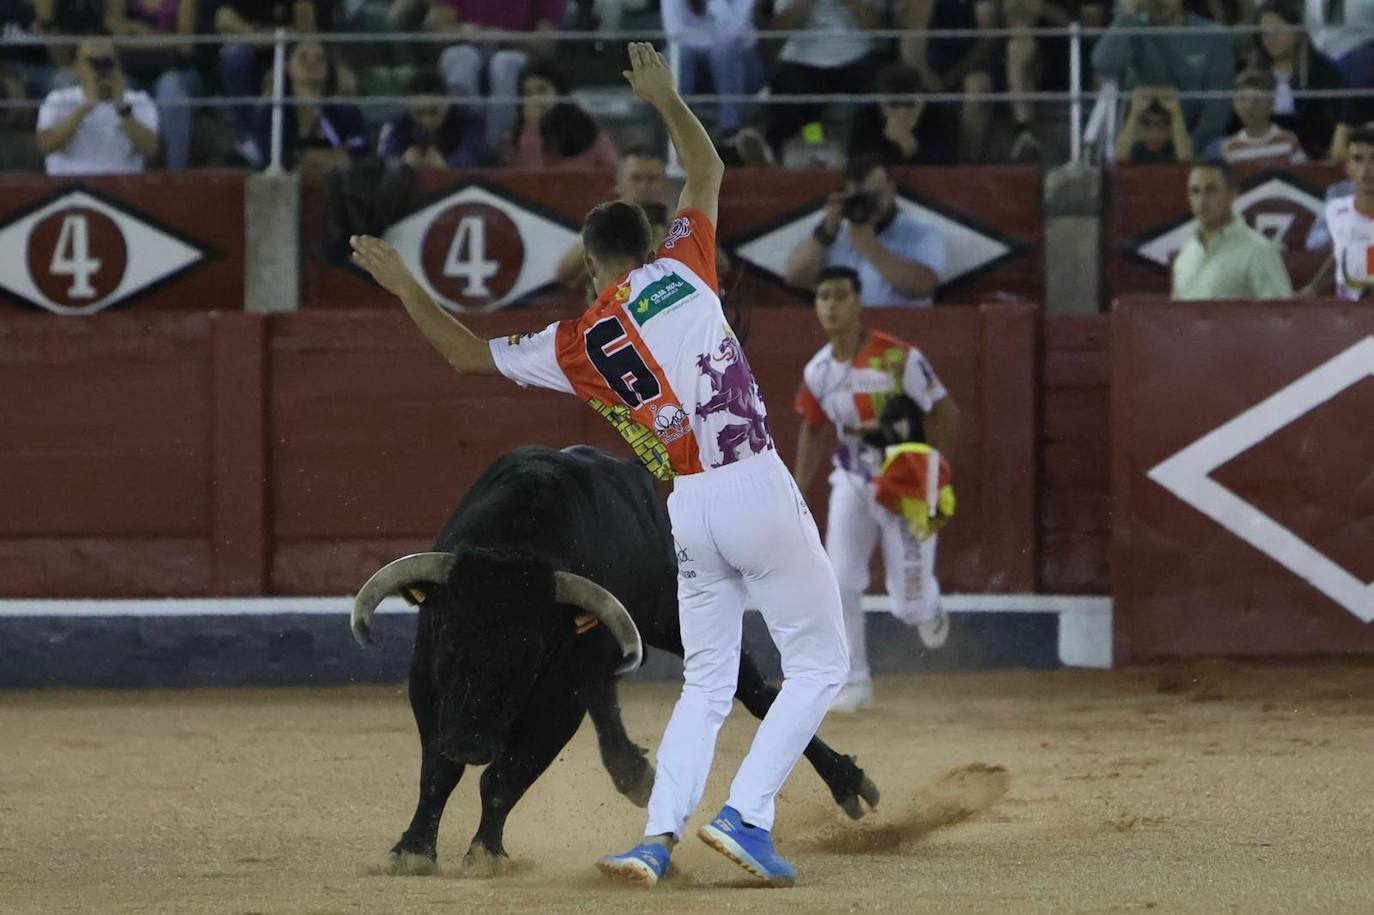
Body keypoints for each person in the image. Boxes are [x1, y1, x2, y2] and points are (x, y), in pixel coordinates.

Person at [348, 43, 850, 889]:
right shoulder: (687, 266)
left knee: (703, 681)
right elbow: (706, 165)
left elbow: (467, 355)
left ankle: (657, 837)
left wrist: (404, 287)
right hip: (753, 479)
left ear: (589, 268)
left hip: (685, 506)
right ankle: (746, 814)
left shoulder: (577, 342)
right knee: (823, 664)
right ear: (654, 241)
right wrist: (664, 98)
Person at [792, 266, 959, 713]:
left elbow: (945, 412)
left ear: (858, 302)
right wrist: (797, 492)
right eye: (823, 296)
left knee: (909, 606)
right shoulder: (819, 371)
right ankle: (855, 681)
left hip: (903, 484)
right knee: (839, 580)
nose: (830, 305)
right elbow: (812, 429)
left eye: (840, 296)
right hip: (850, 476)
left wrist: (933, 471)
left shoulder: (898, 358)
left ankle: (929, 604)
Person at [783, 155, 947, 307]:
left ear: (892, 190)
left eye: (875, 195)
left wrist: (869, 247)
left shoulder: (921, 233)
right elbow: (795, 277)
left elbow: (924, 285)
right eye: (860, 198)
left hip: (900, 329)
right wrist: (825, 232)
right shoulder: (834, 232)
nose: (868, 204)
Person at [1092, 0, 1235, 155]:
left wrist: (1191, 150)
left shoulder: (1212, 35)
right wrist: (1128, 15)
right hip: (1137, 141)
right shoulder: (1132, 28)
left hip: (1194, 139)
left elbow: (1217, 109)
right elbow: (1104, 64)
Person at [216, 0, 327, 166]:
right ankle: (249, 140)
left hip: (289, 55)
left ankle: (282, 155)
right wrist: (252, 33)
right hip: (252, 52)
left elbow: (305, 29)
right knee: (234, 57)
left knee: (276, 88)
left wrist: (267, 37)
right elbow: (223, 19)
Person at [1171, 159, 1294, 299]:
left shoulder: (1259, 252)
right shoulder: (1185, 257)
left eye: (1211, 190)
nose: (1202, 201)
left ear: (1232, 193)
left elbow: (1280, 316)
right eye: (1195, 191)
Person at [35, 36, 159, 175]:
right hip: (71, 184)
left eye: (107, 62)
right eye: (93, 63)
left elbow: (150, 149)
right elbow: (46, 145)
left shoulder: (138, 100)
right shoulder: (59, 99)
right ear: (77, 66)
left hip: (122, 184)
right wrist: (85, 107)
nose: (101, 70)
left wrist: (122, 109)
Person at [102, 0, 201, 170]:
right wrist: (163, 39)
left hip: (176, 70)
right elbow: (113, 34)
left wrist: (138, 34)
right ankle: (125, 171)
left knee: (170, 90)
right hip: (131, 70)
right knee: (120, 90)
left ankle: (176, 172)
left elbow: (186, 45)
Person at [253, 40, 368, 172]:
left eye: (320, 59)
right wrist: (332, 156)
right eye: (303, 58)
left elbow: (361, 149)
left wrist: (306, 155)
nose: (312, 64)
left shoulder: (346, 110)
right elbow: (278, 158)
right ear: (287, 65)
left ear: (328, 67)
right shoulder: (271, 111)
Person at [1250, 0, 1344, 159]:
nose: (1270, 39)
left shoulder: (1323, 70)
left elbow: (1332, 122)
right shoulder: (1251, 70)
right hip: (1258, 149)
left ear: (1298, 31)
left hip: (1311, 152)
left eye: (1277, 31)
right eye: (1264, 33)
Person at [660, 0, 764, 139]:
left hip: (743, 65)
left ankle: (730, 128)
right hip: (695, 62)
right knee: (677, 54)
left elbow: (734, 31)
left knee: (724, 51)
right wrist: (712, 43)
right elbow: (674, 32)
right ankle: (675, 126)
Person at [503, 59, 621, 169]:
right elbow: (528, 180)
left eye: (541, 90)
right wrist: (531, 128)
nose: (535, 100)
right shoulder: (515, 139)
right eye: (528, 93)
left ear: (559, 91)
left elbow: (613, 173)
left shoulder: (587, 130)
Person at [1303, 127, 1374, 298]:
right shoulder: (1336, 210)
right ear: (1347, 167)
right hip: (1348, 316)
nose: (1366, 169)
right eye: (1358, 159)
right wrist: (1313, 288)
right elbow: (1342, 251)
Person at [846, 62, 957, 166]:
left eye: (909, 104)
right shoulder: (867, 116)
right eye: (893, 105)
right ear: (881, 103)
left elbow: (945, 168)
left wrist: (909, 146)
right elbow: (857, 166)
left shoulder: (941, 116)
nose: (902, 113)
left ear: (922, 99)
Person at [378, 70, 487, 168]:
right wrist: (400, 162)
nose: (427, 120)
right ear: (409, 107)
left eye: (434, 112)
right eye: (419, 113)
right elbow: (384, 157)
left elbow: (473, 156)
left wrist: (448, 165)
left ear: (447, 102)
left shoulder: (471, 120)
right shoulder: (397, 122)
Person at [1220, 68, 1306, 166]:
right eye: (1242, 99)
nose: (1249, 107)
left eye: (1258, 100)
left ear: (1272, 104)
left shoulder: (1288, 141)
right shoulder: (1230, 147)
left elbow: (1302, 176)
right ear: (1234, 105)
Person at [1115, 87, 1192, 163]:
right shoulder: (1134, 149)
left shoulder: (1178, 148)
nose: (1154, 132)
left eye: (1163, 124)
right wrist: (1135, 110)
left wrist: (1175, 111)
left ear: (1173, 127)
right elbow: (1120, 157)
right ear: (1136, 126)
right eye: (1146, 123)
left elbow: (1186, 159)